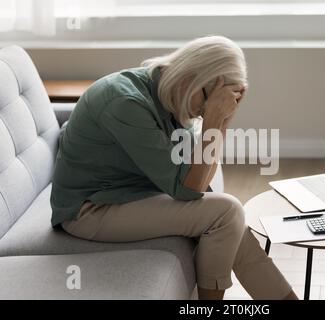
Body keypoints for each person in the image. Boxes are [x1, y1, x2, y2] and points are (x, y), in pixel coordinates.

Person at [50, 35, 297, 300]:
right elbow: (189, 188)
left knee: (233, 223)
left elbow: (199, 182)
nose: (202, 112)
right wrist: (214, 120)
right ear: (191, 75)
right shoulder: (125, 102)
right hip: (89, 210)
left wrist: (222, 119)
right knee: (226, 212)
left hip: (133, 191)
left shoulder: (170, 97)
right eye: (205, 103)